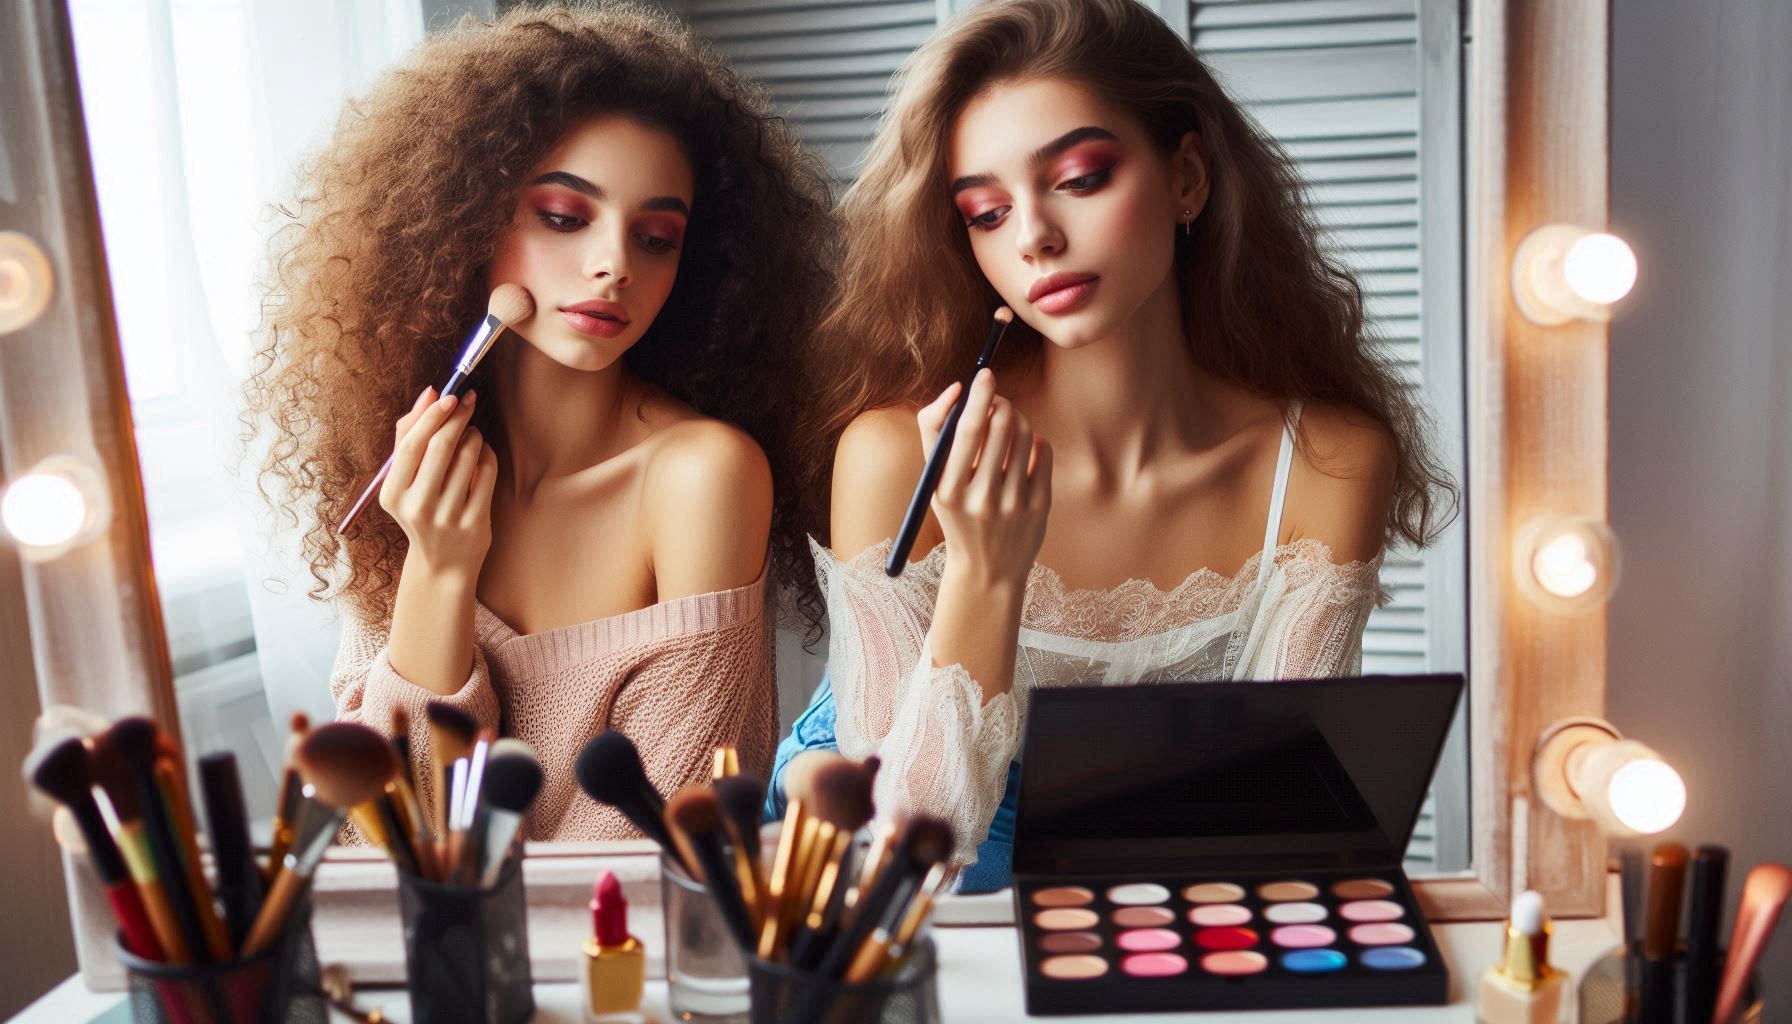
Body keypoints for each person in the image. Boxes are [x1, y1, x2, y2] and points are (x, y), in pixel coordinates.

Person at [771, 0, 1457, 890]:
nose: (1034, 238)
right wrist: (986, 569)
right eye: (984, 212)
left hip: (1160, 873)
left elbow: (1284, 816)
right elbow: (912, 854)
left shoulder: (1325, 462)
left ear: (1188, 180)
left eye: (1082, 177)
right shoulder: (897, 455)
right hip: (910, 846)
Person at [244, 4, 835, 840]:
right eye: (564, 217)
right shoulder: (412, 465)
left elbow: (664, 839)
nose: (613, 264)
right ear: (466, 219)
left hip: (621, 955)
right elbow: (387, 831)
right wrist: (438, 569)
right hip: (442, 955)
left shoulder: (704, 475)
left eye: (658, 236)